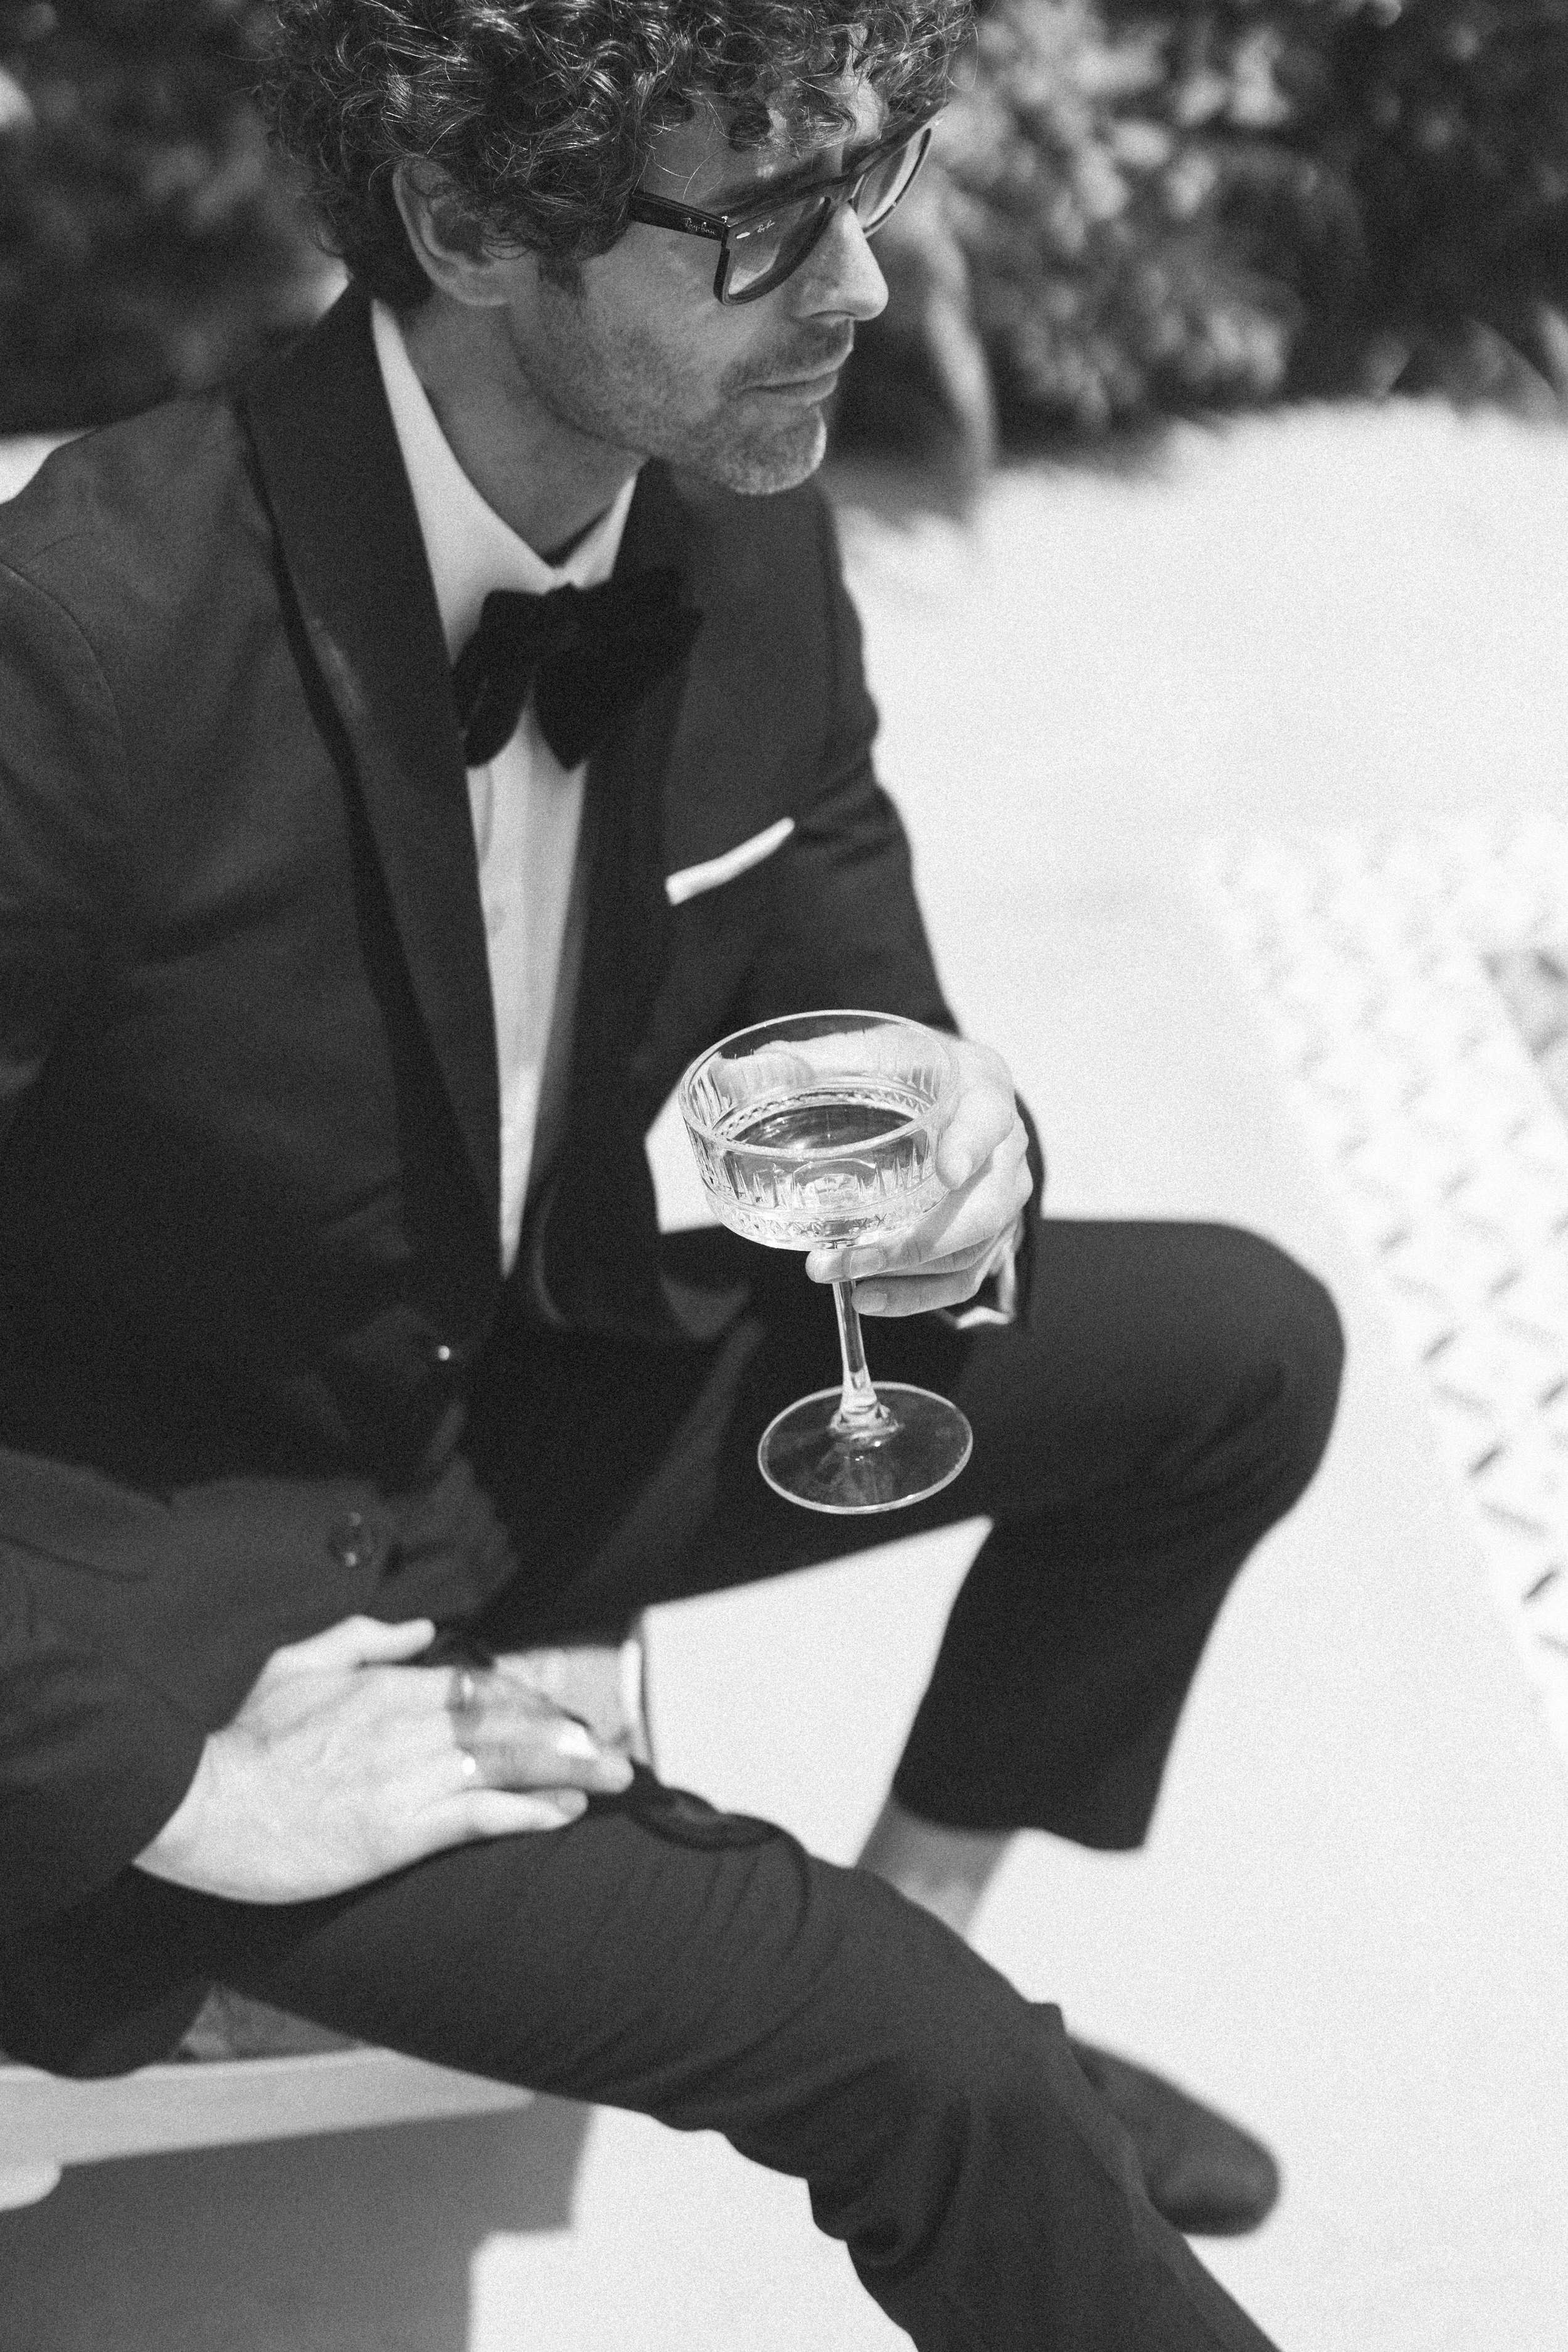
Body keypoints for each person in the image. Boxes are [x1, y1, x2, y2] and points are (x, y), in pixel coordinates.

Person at [0, 1, 1343, 2342]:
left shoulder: (731, 491)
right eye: (763, 220)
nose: (860, 289)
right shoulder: (90, 633)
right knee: (899, 2070)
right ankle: (973, 2075)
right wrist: (161, 1779)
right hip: (181, 1591)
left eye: (878, 173)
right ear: (466, 221)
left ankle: (966, 1992)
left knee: (1239, 1350)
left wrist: (942, 1112)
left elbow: (818, 870)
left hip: (509, 1393)